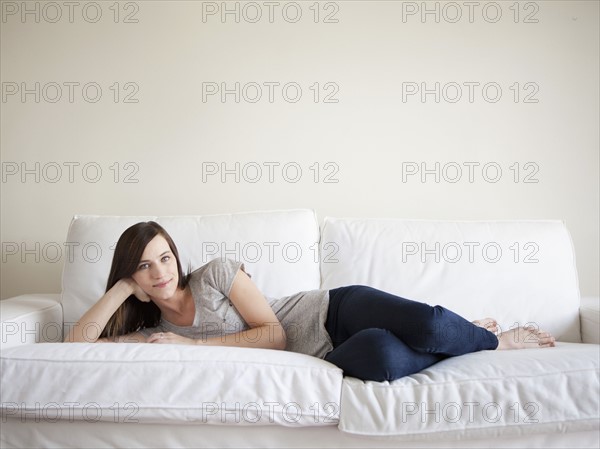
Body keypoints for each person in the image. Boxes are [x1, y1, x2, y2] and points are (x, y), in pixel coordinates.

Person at [65, 221, 556, 382]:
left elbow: (275, 336)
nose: (161, 273)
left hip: (331, 310)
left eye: (165, 258)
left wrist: (185, 346)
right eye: (145, 266)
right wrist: (123, 288)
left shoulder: (214, 274)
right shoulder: (151, 329)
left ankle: (494, 341)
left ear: (178, 256)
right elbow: (76, 344)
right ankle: (458, 336)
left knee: (427, 325)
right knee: (382, 358)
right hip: (324, 357)